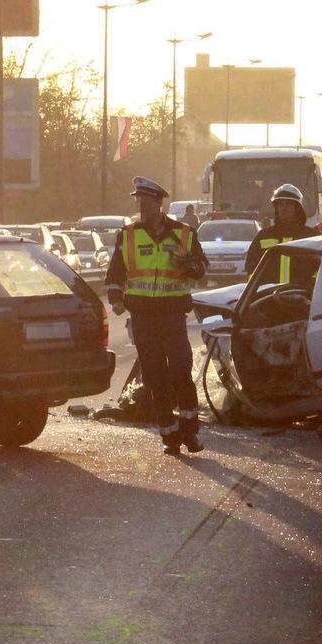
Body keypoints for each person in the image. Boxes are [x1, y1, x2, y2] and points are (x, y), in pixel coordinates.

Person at [105, 176, 209, 454]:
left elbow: (200, 269)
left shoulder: (184, 233)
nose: (140, 204)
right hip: (143, 318)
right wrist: (115, 298)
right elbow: (115, 273)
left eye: (145, 200)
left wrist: (187, 265)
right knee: (155, 378)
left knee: (180, 373)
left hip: (173, 316)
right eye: (137, 199)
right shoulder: (127, 235)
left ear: (158, 202)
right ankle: (169, 436)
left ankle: (191, 432)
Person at [246, 183, 321, 281]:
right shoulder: (263, 236)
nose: (284, 208)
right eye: (280, 204)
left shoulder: (311, 237)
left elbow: (321, 268)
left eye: (288, 204)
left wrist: (310, 289)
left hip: (303, 294)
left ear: (297, 208)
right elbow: (251, 268)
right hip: (268, 294)